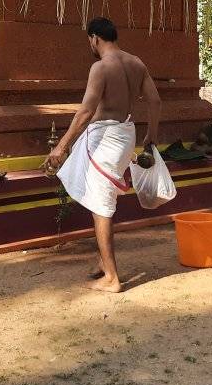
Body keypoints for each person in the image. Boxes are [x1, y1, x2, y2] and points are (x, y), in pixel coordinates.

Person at [43, 17, 161, 293]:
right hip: (125, 135)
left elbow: (85, 111)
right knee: (101, 197)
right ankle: (101, 260)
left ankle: (112, 278)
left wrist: (61, 147)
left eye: (89, 41)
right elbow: (155, 101)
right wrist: (151, 137)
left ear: (94, 38)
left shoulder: (100, 67)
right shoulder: (136, 63)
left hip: (105, 140)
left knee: (101, 206)